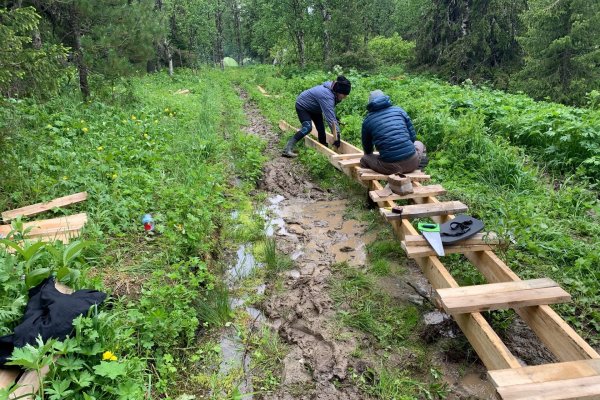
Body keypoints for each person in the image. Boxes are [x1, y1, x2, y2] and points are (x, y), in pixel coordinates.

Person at [360, 90, 427, 175]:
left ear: (370, 104)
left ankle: (371, 184)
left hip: (390, 168)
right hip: (412, 162)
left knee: (365, 158)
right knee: (420, 144)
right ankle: (419, 170)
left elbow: (368, 150)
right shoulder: (399, 111)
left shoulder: (367, 121)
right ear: (385, 98)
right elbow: (412, 138)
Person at [282, 76, 352, 158]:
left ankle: (324, 150)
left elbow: (329, 110)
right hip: (303, 106)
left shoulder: (334, 89)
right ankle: (287, 149)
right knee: (307, 127)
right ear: (339, 91)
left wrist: (334, 117)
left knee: (321, 130)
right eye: (344, 95)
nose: (345, 97)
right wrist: (337, 135)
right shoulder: (327, 95)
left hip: (315, 108)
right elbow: (330, 117)